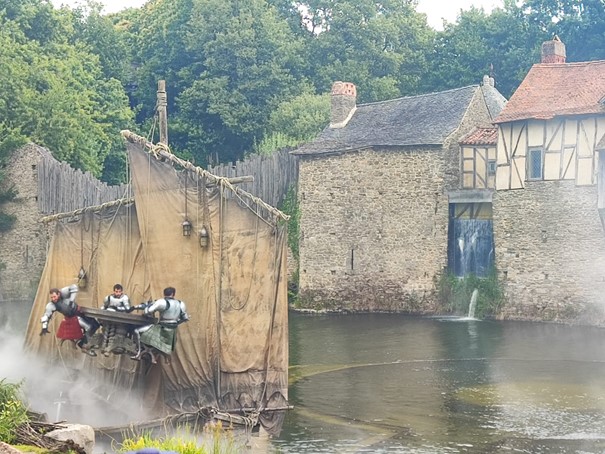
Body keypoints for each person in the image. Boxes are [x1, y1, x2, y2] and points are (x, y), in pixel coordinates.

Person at [131, 287, 189, 363]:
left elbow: (147, 312)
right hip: (172, 331)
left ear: (164, 293)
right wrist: (176, 323)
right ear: (173, 294)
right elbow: (185, 318)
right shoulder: (181, 304)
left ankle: (138, 354)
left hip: (161, 329)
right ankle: (158, 355)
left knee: (136, 331)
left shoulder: (161, 302)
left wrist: (147, 307)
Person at [40, 284, 100, 356]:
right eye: (52, 297)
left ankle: (84, 341)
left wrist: (71, 301)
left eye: (54, 296)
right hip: (73, 318)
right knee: (89, 327)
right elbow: (46, 315)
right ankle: (83, 345)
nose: (53, 299)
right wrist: (44, 327)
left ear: (58, 294)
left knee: (96, 325)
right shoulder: (52, 305)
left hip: (80, 312)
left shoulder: (63, 293)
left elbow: (74, 287)